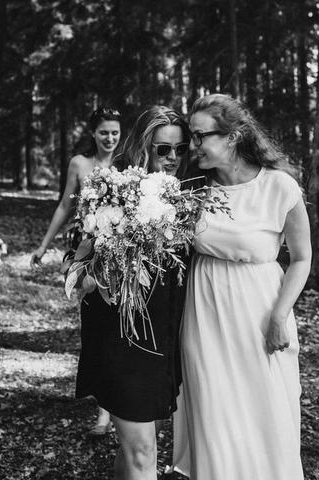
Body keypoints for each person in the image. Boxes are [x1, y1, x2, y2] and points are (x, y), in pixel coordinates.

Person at [171, 94, 311, 480]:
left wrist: (279, 316)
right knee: (213, 409)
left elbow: (302, 258)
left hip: (261, 308)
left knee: (266, 408)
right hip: (204, 310)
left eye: (200, 136)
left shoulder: (279, 187)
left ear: (232, 137)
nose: (192, 146)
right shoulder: (191, 189)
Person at [79, 105, 192, 480]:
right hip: (124, 338)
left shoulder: (187, 197)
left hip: (164, 340)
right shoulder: (115, 192)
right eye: (164, 149)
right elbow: (84, 263)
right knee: (143, 453)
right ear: (145, 147)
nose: (173, 157)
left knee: (136, 450)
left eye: (180, 149)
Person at [30, 106, 121, 435]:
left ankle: (113, 411)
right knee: (96, 331)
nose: (109, 138)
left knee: (117, 330)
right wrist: (44, 245)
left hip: (122, 257)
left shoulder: (128, 163)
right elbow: (65, 205)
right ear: (93, 133)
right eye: (104, 132)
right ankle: (103, 407)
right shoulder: (79, 164)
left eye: (115, 132)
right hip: (89, 257)